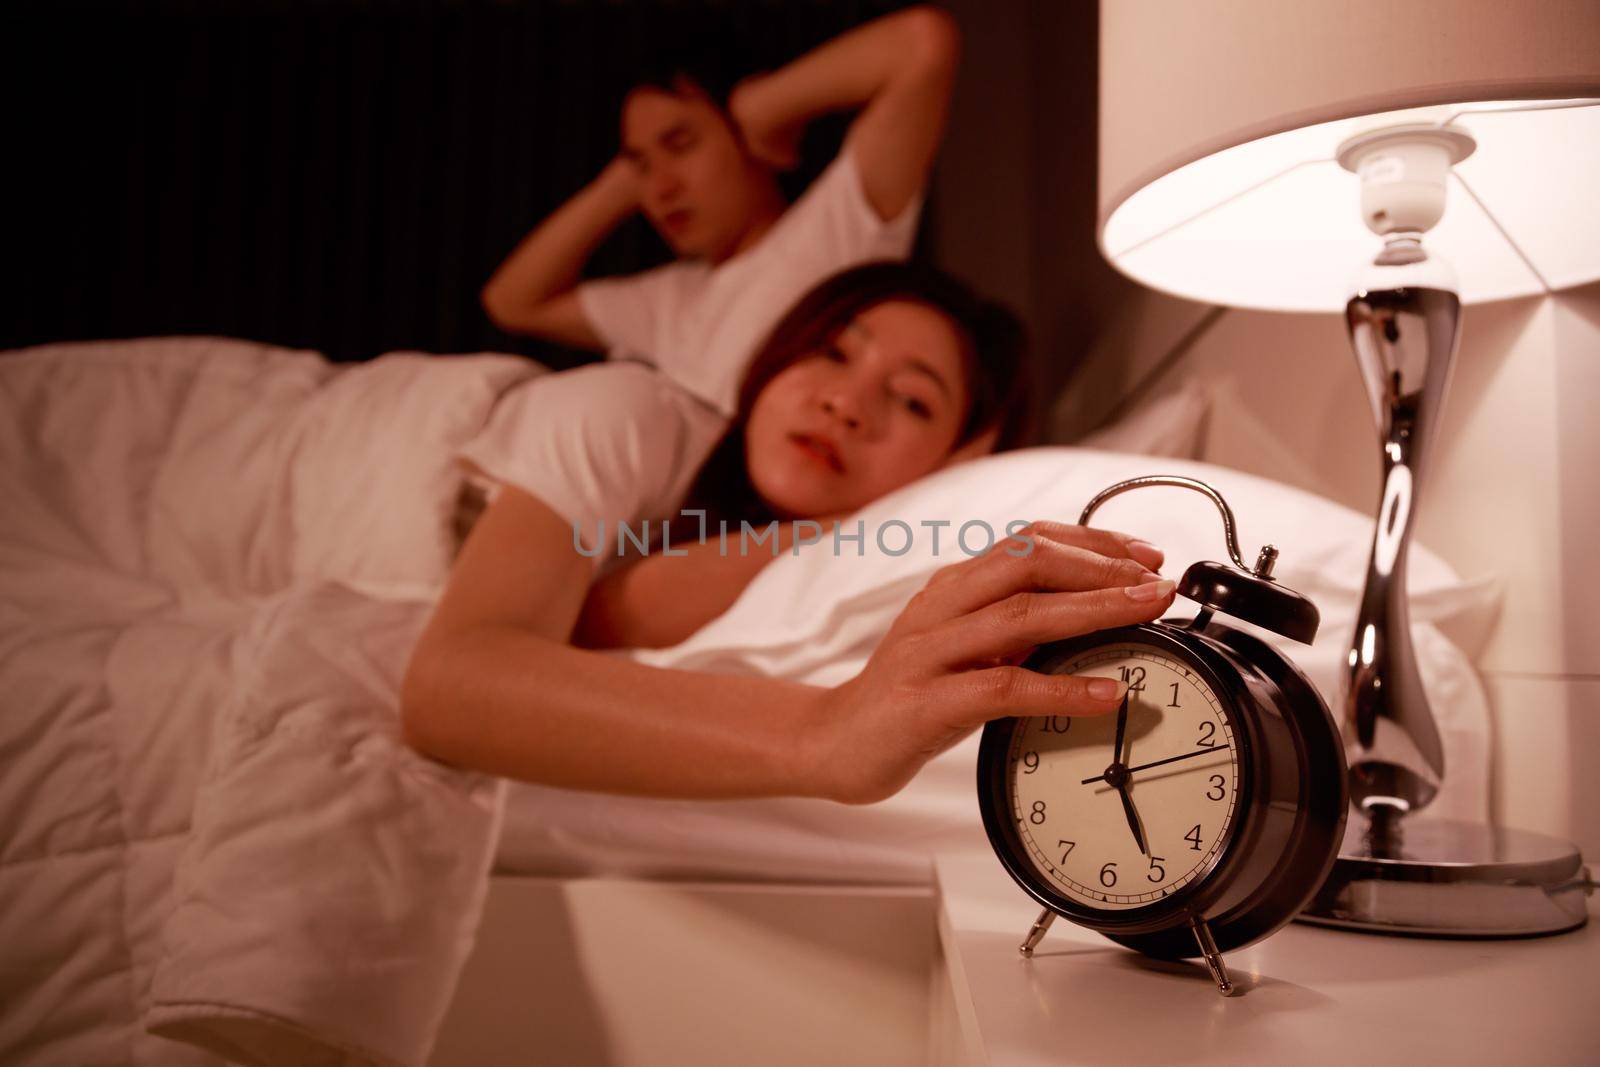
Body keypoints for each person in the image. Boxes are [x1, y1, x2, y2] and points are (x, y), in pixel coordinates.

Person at [401, 262, 1177, 806]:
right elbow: (454, 682)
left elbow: (605, 617)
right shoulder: (624, 415)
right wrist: (823, 732)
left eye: (911, 402)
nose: (845, 402)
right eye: (832, 351)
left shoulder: (835, 547)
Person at [479, 5, 962, 417]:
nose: (661, 188)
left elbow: (922, 43)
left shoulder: (833, 235)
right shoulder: (666, 300)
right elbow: (512, 301)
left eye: (681, 143)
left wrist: (763, 108)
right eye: (642, 164)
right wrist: (618, 185)